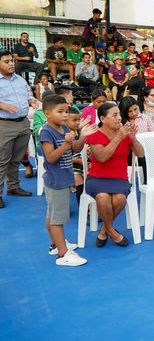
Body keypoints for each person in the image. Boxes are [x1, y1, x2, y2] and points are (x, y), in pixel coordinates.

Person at [40, 95, 97, 266]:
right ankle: (63, 254)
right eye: (60, 111)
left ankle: (55, 245)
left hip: (63, 179)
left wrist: (83, 136)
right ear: (47, 113)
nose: (65, 115)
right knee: (57, 218)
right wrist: (65, 144)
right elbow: (50, 158)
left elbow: (74, 149)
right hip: (56, 181)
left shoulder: (63, 128)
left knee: (52, 214)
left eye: (66, 111)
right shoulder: (46, 132)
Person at [86, 103, 144, 247]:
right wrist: (119, 137)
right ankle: (112, 231)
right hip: (97, 178)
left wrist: (134, 138)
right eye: (114, 115)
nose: (119, 118)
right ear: (103, 119)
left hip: (119, 178)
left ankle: (105, 230)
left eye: (119, 114)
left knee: (119, 198)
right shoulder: (95, 134)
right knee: (102, 197)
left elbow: (141, 154)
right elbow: (102, 157)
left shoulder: (124, 133)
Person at [0, 50, 34, 208]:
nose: (11, 63)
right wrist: (2, 105)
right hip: (5, 124)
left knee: (16, 158)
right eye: (6, 61)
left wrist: (32, 100)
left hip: (23, 123)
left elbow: (28, 93)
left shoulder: (20, 79)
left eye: (12, 60)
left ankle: (13, 187)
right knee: (2, 161)